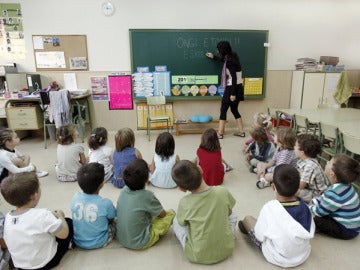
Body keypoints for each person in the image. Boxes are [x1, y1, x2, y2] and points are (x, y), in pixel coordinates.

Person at [238, 164, 315, 268]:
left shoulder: (269, 208)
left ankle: (244, 228)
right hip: (302, 255)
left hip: (277, 257)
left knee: (248, 219)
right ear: (298, 188)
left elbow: (259, 236)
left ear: (273, 186)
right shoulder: (305, 207)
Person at [1, 172, 73, 269]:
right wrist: (60, 216)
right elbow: (64, 234)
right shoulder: (42, 214)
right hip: (45, 263)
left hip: (22, 266)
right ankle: (70, 244)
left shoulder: (8, 218)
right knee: (68, 223)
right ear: (34, 195)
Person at [171, 160, 236, 264]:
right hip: (226, 249)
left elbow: (182, 223)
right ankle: (227, 237)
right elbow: (228, 213)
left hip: (197, 254)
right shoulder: (222, 191)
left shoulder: (185, 202)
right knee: (233, 213)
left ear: (181, 189)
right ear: (200, 169)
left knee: (175, 221)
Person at [116, 159, 175, 250]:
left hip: (120, 238)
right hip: (140, 241)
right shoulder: (147, 195)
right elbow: (162, 214)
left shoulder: (123, 190)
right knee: (171, 213)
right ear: (147, 178)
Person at [309, 154, 360, 240]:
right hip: (352, 226)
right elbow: (325, 199)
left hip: (347, 230)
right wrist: (315, 202)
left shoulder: (334, 193)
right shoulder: (346, 186)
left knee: (316, 219)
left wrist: (308, 208)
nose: (327, 162)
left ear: (332, 174)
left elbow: (319, 212)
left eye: (329, 162)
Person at [71, 163, 116, 249]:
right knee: (116, 220)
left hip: (78, 241)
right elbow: (112, 217)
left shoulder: (75, 197)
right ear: (102, 184)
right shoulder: (106, 203)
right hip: (99, 241)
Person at [206, 41, 245, 139]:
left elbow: (234, 77)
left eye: (218, 49)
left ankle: (220, 133)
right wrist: (213, 57)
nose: (217, 50)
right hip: (238, 87)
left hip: (232, 87)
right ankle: (241, 131)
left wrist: (233, 94)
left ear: (222, 50)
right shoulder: (232, 57)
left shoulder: (230, 62)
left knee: (223, 109)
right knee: (234, 109)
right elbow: (223, 59)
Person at [295, 134, 330, 203]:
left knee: (292, 192)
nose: (294, 148)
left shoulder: (310, 165)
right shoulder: (304, 160)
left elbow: (301, 186)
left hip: (318, 194)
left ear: (302, 152)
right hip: (310, 188)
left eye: (295, 146)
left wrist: (286, 187)